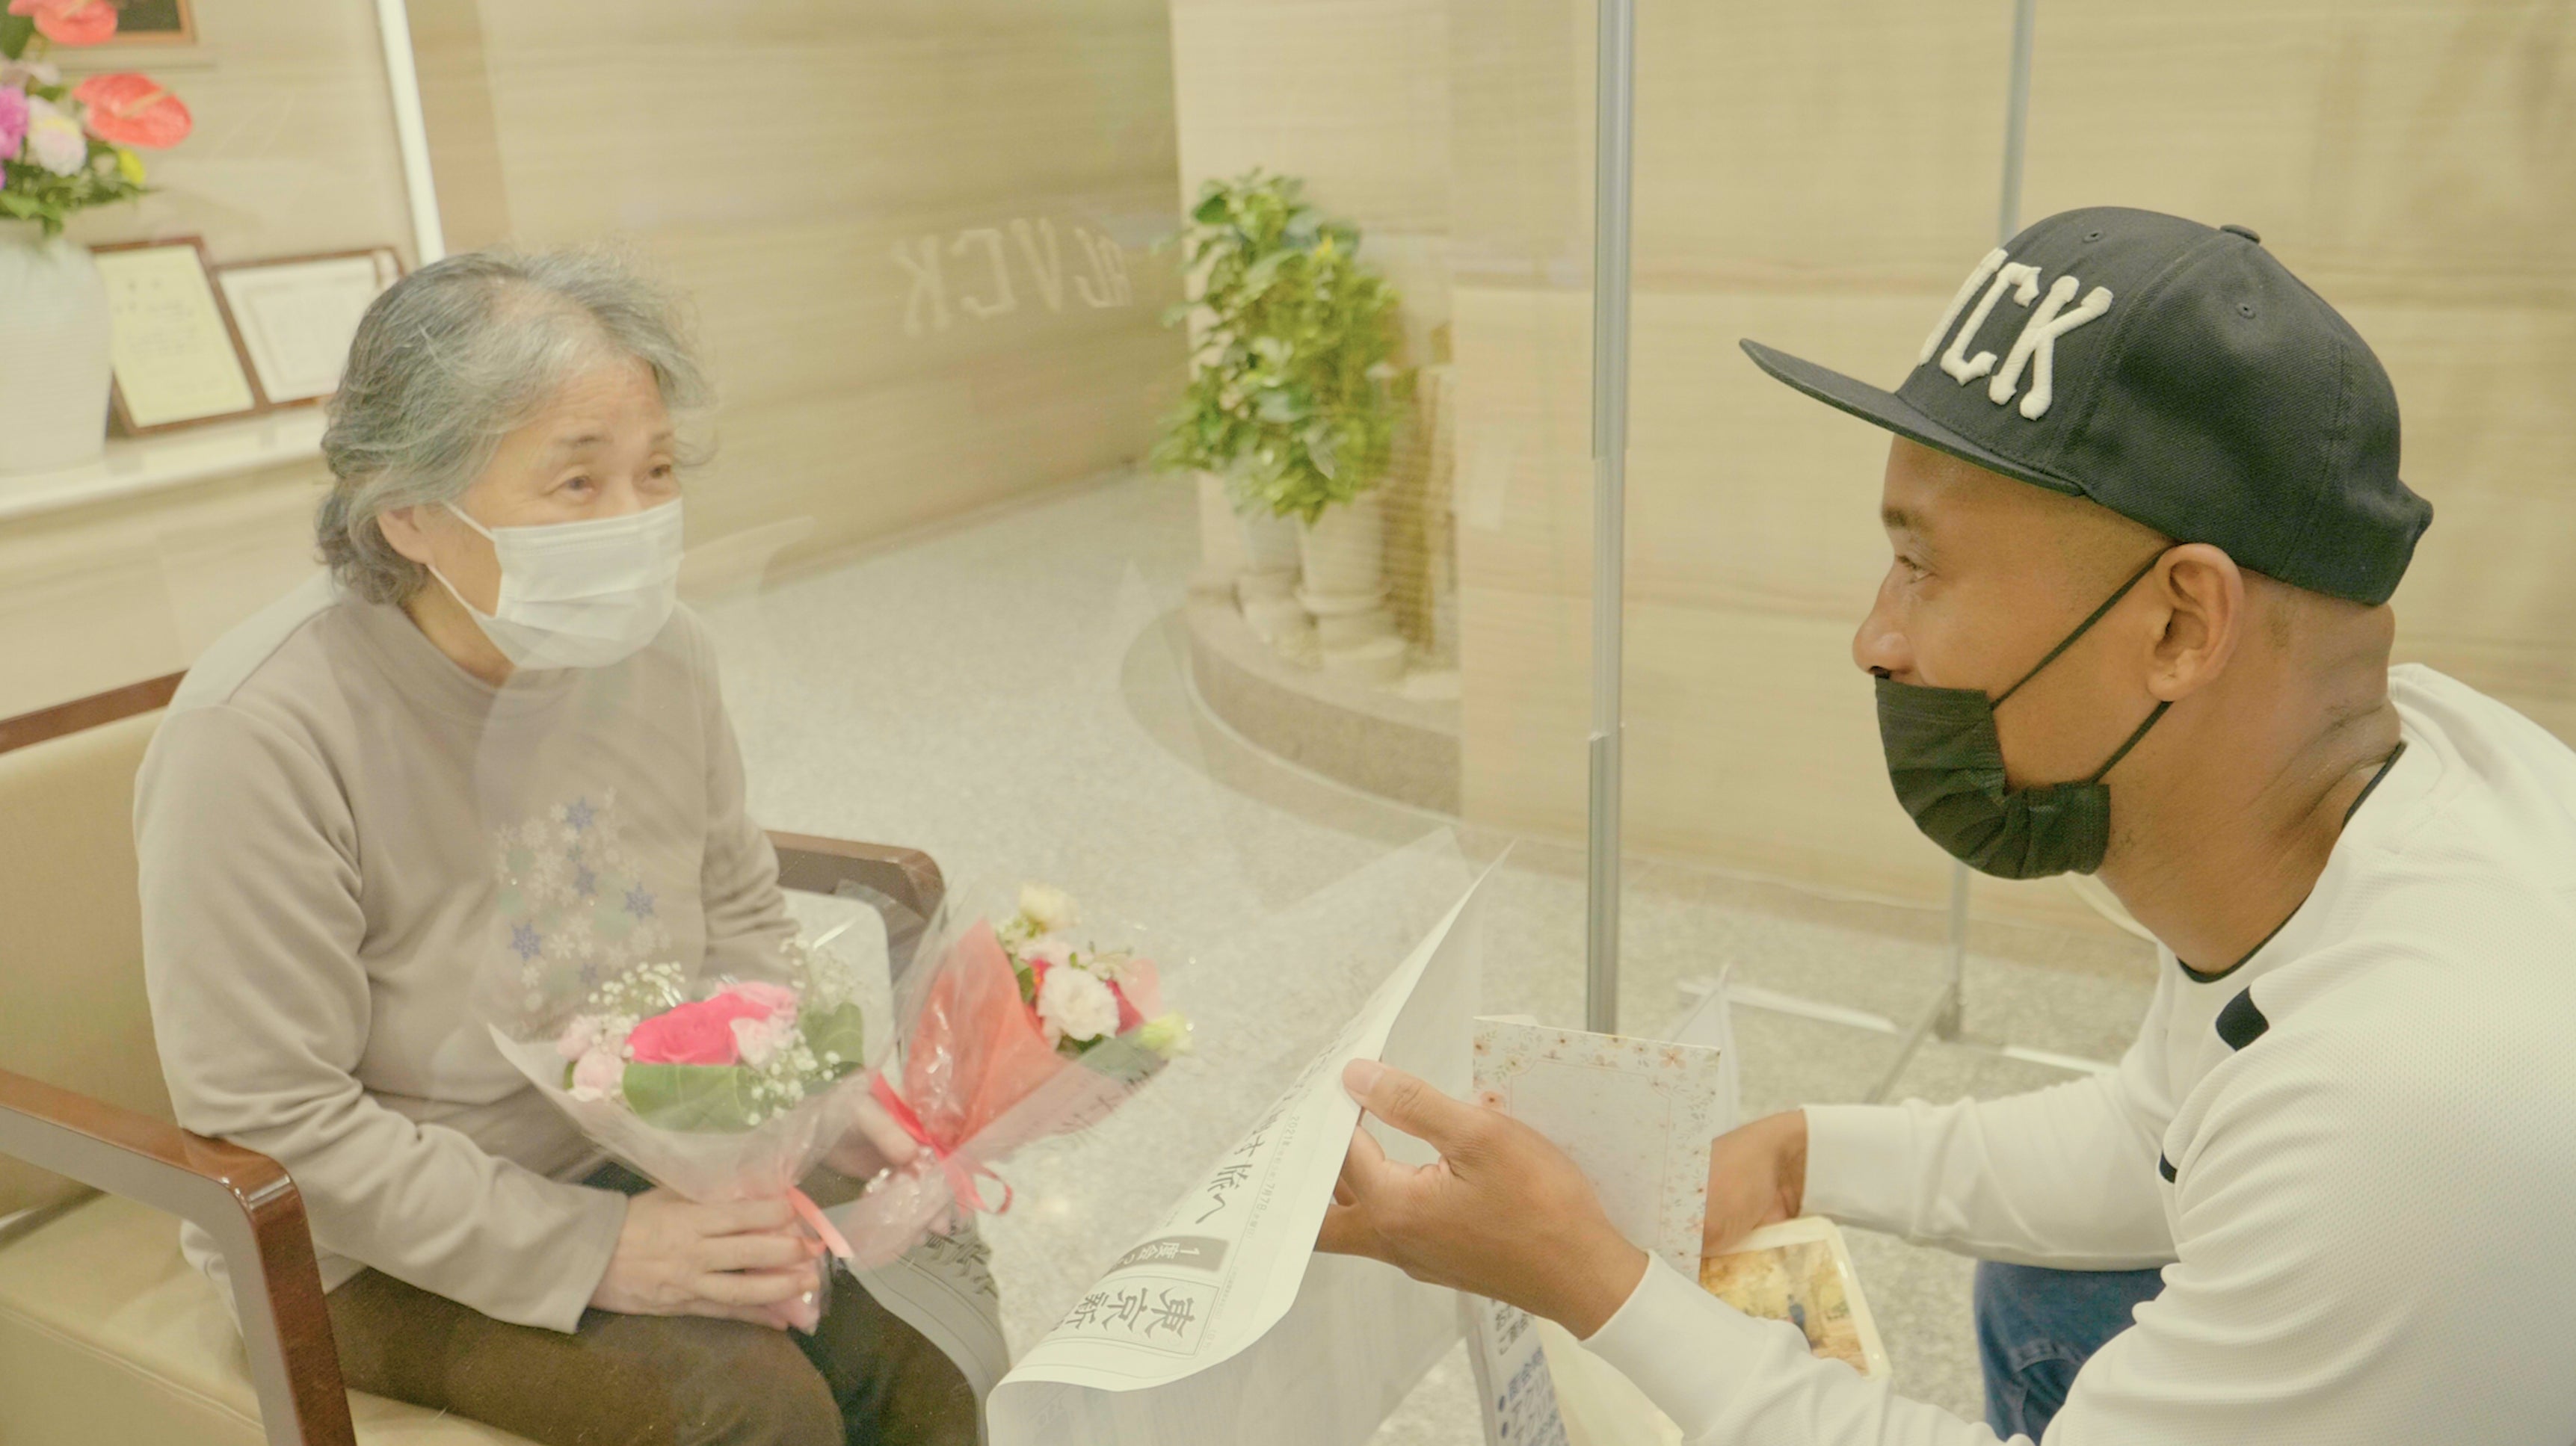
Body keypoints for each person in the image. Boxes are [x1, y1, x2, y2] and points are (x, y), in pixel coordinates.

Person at [1319, 208, 2576, 1442]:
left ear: (2182, 624)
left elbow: (2312, 1145)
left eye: (1920, 567)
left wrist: (1584, 1278)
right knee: (2045, 1290)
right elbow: (2165, 1133)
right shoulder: (2403, 770)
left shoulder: (2395, 1116)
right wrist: (1802, 1154)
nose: (1875, 638)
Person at [136, 248, 977, 1446]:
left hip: (645, 1150)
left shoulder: (665, 655)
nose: (636, 522)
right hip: (360, 1248)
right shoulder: (260, 733)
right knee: (750, 1415)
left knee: (929, 1358)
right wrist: (599, 1247)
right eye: (578, 482)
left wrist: (809, 1104)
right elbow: (275, 1121)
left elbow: (739, 919)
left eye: (656, 471)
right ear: (408, 510)